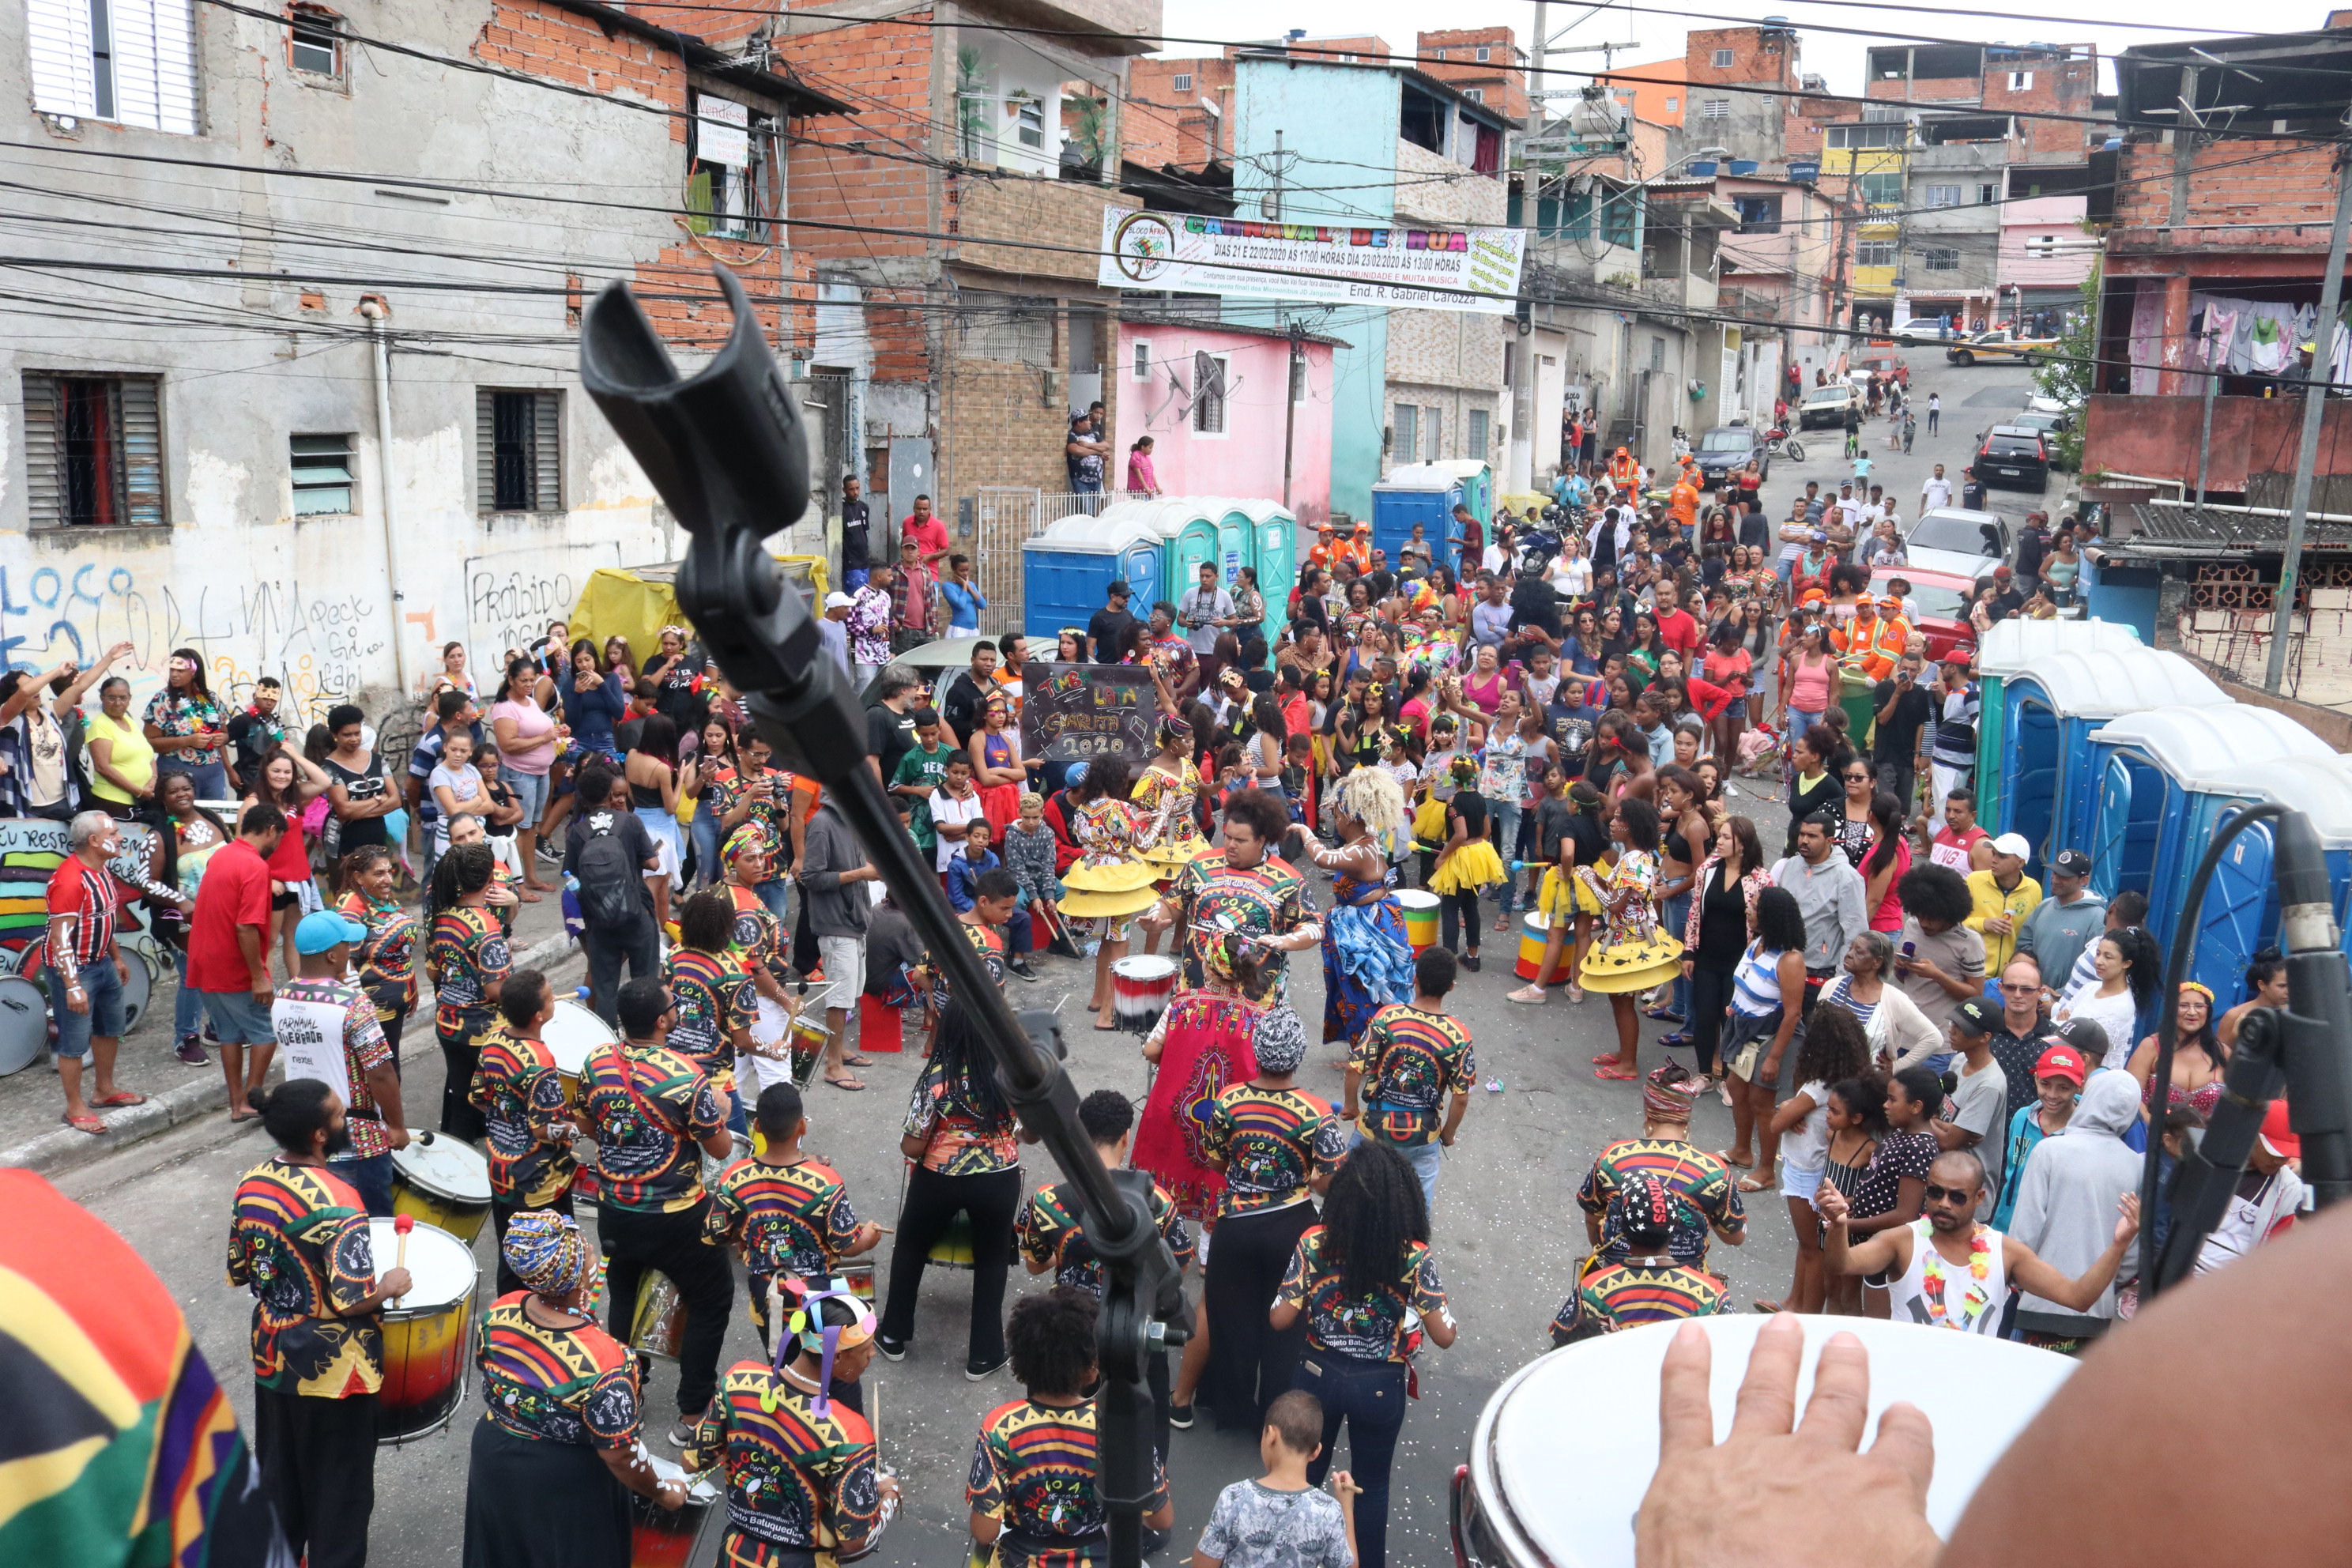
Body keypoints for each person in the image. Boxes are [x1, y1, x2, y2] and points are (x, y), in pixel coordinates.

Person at [227, 1079, 414, 1568]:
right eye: (337, 1114)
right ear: (318, 1135)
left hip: (273, 1352)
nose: (346, 1119)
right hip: (335, 1370)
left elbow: (243, 1270)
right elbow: (351, 1301)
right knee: (341, 1492)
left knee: (282, 1476)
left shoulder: (253, 1182)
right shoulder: (340, 1201)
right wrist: (391, 1285)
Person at [462, 1210, 686, 1568]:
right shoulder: (608, 1362)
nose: (594, 1257)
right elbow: (620, 1454)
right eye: (589, 1254)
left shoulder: (500, 1311)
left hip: (495, 1455)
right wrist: (663, 1492)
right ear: (581, 1275)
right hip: (564, 1482)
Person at [579, 977, 734, 1443]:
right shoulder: (685, 1076)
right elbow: (722, 1148)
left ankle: (626, 1397)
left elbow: (588, 1121)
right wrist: (720, 1108)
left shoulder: (596, 1062)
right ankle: (692, 1415)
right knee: (711, 1298)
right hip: (677, 1215)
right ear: (663, 1020)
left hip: (615, 1209)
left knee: (624, 1296)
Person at [876, 896, 1027, 1377]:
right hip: (999, 1178)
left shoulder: (936, 1079)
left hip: (939, 1176)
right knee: (992, 1260)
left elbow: (912, 1146)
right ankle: (984, 1351)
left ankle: (894, 1332)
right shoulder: (1011, 1075)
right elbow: (1026, 1130)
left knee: (911, 1245)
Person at [1017, 1088, 1194, 1456]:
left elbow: (1035, 1263)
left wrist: (1067, 1254)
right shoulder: (1157, 1201)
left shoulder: (1048, 1200)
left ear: (1080, 1133)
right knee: (1147, 1428)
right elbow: (1179, 1264)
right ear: (1125, 1137)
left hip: (1073, 1332)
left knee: (1065, 1428)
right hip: (1137, 1329)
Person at [1203, 1006, 1347, 1434]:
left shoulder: (1229, 1100)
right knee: (1287, 1326)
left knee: (1233, 1319)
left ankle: (1232, 1411)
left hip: (1235, 1225)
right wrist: (1310, 1180)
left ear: (1258, 1050)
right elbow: (1331, 1177)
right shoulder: (1317, 1111)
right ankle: (1279, 1421)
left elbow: (1214, 1158)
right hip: (1292, 1228)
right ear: (1298, 1054)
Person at [1821, 1147, 2139, 1336]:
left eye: (1957, 1196)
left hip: (1975, 1389)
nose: (1944, 1203)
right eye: (1935, 1192)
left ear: (1979, 1198)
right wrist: (1838, 1224)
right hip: (1907, 1383)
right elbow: (1842, 1264)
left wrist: (2119, 1246)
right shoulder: (1901, 1241)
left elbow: (2078, 1297)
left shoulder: (2006, 1252)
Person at [685, 1281, 897, 1564]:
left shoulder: (738, 1381)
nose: (872, 1355)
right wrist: (888, 1497)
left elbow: (692, 1462)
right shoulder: (849, 1432)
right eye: (866, 1349)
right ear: (836, 1356)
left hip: (735, 1555)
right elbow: (855, 1540)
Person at [969, 1287, 1173, 1566]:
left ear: (1021, 1359)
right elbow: (1161, 1518)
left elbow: (984, 1531)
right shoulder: (1117, 1424)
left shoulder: (1001, 1426)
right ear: (1090, 1367)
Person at [707, 1082, 885, 1355]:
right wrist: (869, 1238)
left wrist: (747, 1231)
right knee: (821, 1364)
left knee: (780, 1364)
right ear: (802, 1126)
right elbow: (845, 1245)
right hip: (817, 1300)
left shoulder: (735, 1176)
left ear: (757, 1126)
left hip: (766, 1298)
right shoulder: (825, 1180)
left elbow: (715, 1233)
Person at [42, 809, 186, 1133]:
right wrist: (72, 985)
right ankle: (74, 1106)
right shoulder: (69, 880)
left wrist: (117, 958)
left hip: (101, 963)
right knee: (73, 1042)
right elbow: (59, 939)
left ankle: (104, 1091)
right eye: (113, 834)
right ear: (94, 841)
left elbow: (104, 919)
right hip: (76, 969)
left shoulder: (100, 869)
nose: (120, 838)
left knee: (109, 1028)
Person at [1150, 788, 1321, 1004]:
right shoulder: (1199, 865)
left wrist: (1284, 940)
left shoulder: (1287, 879)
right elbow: (1170, 903)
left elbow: (1314, 928)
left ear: (1261, 840)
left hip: (1257, 1002)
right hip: (1196, 993)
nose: (1230, 845)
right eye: (1228, 836)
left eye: (1240, 840)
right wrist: (1157, 917)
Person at [1581, 1060, 1747, 1270]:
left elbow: (1592, 1217)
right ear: (1686, 1119)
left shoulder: (1614, 1157)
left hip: (1615, 1272)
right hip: (1687, 1282)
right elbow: (1735, 1237)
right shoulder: (1713, 1170)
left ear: (1648, 1116)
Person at [1344, 946, 1473, 1216]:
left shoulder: (1387, 1018)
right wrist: (1448, 1134)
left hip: (1375, 1129)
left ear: (1415, 977)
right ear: (1451, 987)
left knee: (1348, 1196)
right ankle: (1413, 1251)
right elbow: (1461, 1096)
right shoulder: (1459, 1035)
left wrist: (1351, 1106)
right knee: (1417, 1208)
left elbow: (1354, 1068)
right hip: (1422, 1136)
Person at [1298, 766, 1414, 1046]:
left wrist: (1304, 830)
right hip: (1377, 919)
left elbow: (1322, 858)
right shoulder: (1371, 837)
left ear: (1350, 817)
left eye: (1337, 815)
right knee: (1367, 989)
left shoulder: (1358, 851)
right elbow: (1360, 814)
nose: (1334, 820)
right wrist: (1341, 799)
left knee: (1363, 991)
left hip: (1366, 929)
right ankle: (1370, 1047)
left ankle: (1369, 1052)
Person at [189, 801, 287, 1121]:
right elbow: (245, 926)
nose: (276, 846)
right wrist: (259, 977)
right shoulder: (255, 866)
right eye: (278, 838)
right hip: (232, 965)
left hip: (204, 962)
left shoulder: (222, 854)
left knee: (228, 1032)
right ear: (271, 830)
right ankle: (252, 1097)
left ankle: (238, 1104)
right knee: (266, 1032)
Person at [1554, 1170, 1728, 1343]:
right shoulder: (1712, 1294)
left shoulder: (1593, 1289)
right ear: (1675, 1224)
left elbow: (1562, 1349)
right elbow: (1731, 1349)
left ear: (1622, 1227)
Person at [1193, 1389, 1360, 1568]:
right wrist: (1346, 1506)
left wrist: (1206, 1539)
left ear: (1271, 1435)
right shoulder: (1328, 1511)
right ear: (1316, 1451)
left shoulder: (1234, 1497)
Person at [1716, 885, 1811, 1190]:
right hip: (1742, 1027)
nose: (1748, 910)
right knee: (1735, 1087)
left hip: (1770, 1037)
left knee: (1762, 1102)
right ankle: (1742, 1151)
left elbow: (1793, 1014)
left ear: (1770, 916)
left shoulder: (1790, 961)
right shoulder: (1756, 942)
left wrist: (1774, 1057)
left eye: (1754, 906)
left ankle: (1767, 1170)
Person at [564, 764, 662, 1025]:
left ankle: (609, 1048)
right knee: (645, 982)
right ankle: (645, 1037)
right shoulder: (630, 821)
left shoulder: (577, 833)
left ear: (583, 798)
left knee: (606, 988)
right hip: (638, 914)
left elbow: (570, 877)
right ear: (610, 793)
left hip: (600, 922)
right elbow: (654, 865)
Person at [1845, 1065, 1943, 1317]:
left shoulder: (1920, 1147)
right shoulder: (1902, 1133)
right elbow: (1881, 1184)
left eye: (1892, 1099)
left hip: (1886, 1251)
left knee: (1876, 1320)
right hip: (1870, 1240)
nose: (1885, 1105)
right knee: (1850, 1300)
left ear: (1916, 1107)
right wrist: (1850, 1203)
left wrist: (1849, 1224)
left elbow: (1904, 1215)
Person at [1772, 808, 1868, 1012]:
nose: (1804, 840)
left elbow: (1855, 932)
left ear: (1829, 841)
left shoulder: (1846, 878)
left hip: (1818, 974)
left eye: (1812, 836)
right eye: (1802, 834)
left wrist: (1841, 981)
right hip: (1780, 964)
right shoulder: (1791, 865)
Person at [1992, 1041, 2086, 1231]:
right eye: (2045, 1084)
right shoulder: (2021, 1118)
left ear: (2079, 1087)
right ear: (2035, 1079)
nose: (2052, 1094)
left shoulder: (2084, 1130)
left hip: (2054, 1233)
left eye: (2063, 1088)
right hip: (2007, 1226)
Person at [2054, 926, 2158, 1072]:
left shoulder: (2121, 1007)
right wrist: (2065, 1025)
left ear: (2126, 963)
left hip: (2093, 1076)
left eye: (2108, 957)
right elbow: (2060, 1021)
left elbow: (2089, 1047)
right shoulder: (2090, 988)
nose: (2098, 961)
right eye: (2098, 954)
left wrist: (2065, 1023)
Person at [144, 647, 231, 800]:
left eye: (180, 670)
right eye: (172, 670)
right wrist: (187, 741)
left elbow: (224, 732)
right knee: (181, 819)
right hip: (177, 772)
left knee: (214, 817)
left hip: (213, 771)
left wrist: (222, 739)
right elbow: (149, 742)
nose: (174, 675)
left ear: (194, 672)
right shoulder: (162, 700)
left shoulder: (211, 698)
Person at [1088, 578, 1140, 665]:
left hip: (1127, 665)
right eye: (1124, 597)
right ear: (1113, 597)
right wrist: (1095, 668)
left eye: (1129, 596)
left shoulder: (1129, 615)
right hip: (1106, 666)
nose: (1127, 599)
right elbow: (1090, 647)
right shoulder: (1098, 618)